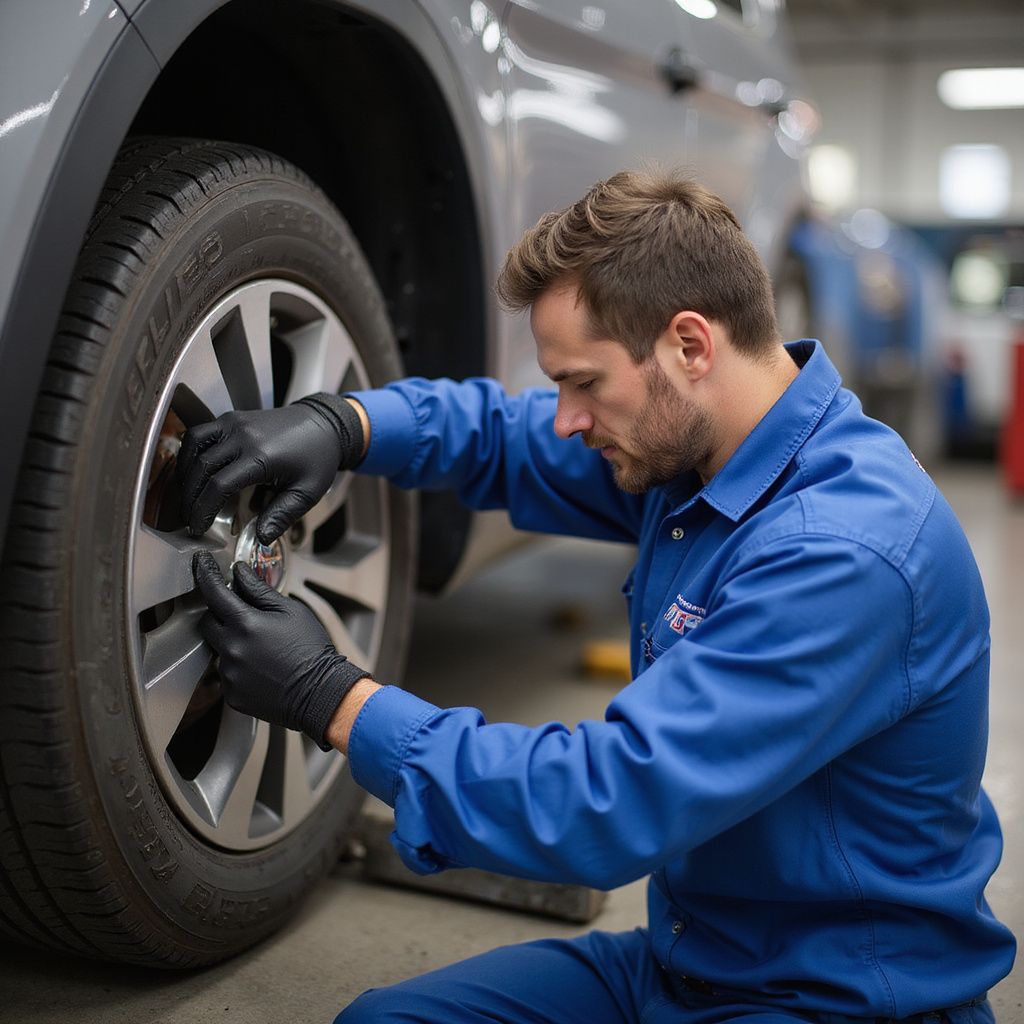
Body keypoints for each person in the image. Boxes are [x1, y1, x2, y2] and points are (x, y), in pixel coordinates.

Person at [180, 172, 1015, 1024]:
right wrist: (342, 423)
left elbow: (604, 803)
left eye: (583, 383)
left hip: (836, 1000)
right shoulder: (704, 444)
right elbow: (502, 437)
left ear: (690, 345)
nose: (569, 418)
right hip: (690, 962)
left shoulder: (840, 554)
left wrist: (334, 699)